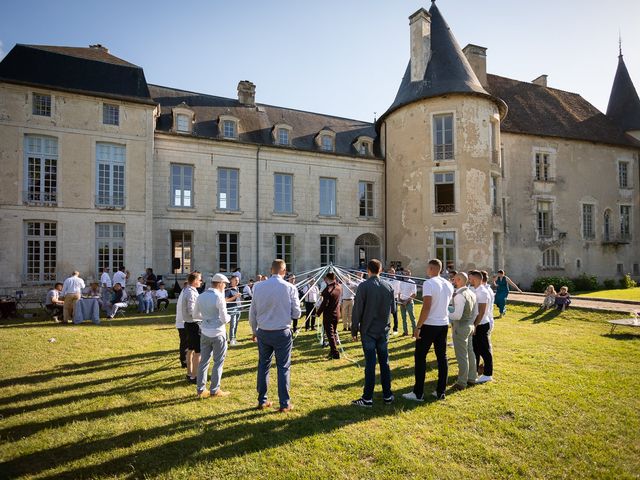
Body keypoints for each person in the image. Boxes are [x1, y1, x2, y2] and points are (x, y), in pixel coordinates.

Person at [249, 259, 301, 412]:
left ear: (271, 270)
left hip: (263, 331)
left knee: (263, 365)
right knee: (283, 367)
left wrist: (254, 330)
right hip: (281, 332)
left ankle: (262, 400)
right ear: (284, 271)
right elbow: (297, 313)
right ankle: (284, 404)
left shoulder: (258, 287)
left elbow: (253, 312)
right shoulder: (290, 287)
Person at [403, 259, 453, 402]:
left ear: (431, 268)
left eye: (427, 267)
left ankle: (418, 393)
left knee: (420, 357)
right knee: (442, 357)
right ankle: (440, 391)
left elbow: (426, 306)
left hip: (430, 324)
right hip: (443, 323)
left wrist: (418, 326)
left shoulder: (429, 283)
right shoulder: (448, 284)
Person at [350, 259, 396, 407]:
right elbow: (393, 309)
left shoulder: (364, 286)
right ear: (380, 270)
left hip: (369, 330)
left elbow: (357, 310)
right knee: (384, 363)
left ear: (368, 270)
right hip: (383, 330)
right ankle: (387, 395)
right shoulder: (388, 286)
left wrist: (354, 329)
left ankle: (368, 398)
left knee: (370, 364)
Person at [194, 274, 232, 399]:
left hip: (205, 333)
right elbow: (225, 319)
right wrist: (230, 317)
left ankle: (200, 389)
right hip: (218, 333)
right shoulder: (219, 297)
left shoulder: (201, 296)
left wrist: (207, 318)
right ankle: (214, 390)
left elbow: (195, 315)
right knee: (218, 363)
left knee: (203, 362)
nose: (225, 286)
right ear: (220, 283)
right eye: (224, 284)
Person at [448, 272, 477, 390]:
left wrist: (447, 312)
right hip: (470, 325)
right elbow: (475, 313)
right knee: (470, 352)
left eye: (455, 279)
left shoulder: (460, 295)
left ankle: (462, 382)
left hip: (460, 326)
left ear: (459, 280)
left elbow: (457, 315)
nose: (453, 281)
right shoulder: (472, 293)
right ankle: (471, 377)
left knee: (461, 355)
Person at [470, 270, 494, 383]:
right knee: (475, 350)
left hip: (481, 324)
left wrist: (474, 325)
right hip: (476, 324)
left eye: (471, 279)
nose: (469, 281)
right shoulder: (475, 290)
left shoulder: (483, 292)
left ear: (476, 279)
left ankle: (488, 374)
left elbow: (482, 312)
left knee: (485, 350)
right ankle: (473, 371)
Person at [317, 272, 342, 360]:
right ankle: (332, 351)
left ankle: (335, 353)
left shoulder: (328, 290)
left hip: (329, 315)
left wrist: (318, 313)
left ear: (327, 279)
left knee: (330, 334)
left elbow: (325, 303)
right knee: (333, 333)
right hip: (337, 314)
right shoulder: (339, 287)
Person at [183, 272, 203, 384]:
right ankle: (194, 376)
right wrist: (204, 316)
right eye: (200, 280)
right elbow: (192, 311)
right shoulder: (191, 292)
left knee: (190, 349)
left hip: (189, 323)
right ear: (195, 280)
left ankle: (190, 373)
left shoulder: (188, 290)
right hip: (194, 324)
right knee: (197, 351)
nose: (201, 282)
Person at [399, 269, 417, 336]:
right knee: (404, 318)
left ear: (410, 274)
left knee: (412, 318)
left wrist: (406, 301)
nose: (405, 275)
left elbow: (414, 294)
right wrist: (399, 300)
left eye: (407, 274)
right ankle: (405, 332)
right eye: (404, 274)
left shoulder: (412, 282)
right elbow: (399, 292)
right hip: (402, 302)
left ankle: (414, 333)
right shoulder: (401, 282)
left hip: (409, 302)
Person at [225, 275, 242, 345]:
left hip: (238, 309)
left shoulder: (237, 288)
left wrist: (240, 305)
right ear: (231, 281)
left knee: (236, 324)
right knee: (233, 325)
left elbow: (238, 299)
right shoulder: (229, 290)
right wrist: (235, 296)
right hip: (232, 309)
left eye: (238, 280)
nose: (237, 281)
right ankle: (231, 340)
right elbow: (225, 300)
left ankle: (234, 338)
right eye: (235, 280)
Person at [175, 282, 188, 369]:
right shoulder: (185, 293)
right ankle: (184, 361)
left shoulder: (184, 292)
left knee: (184, 343)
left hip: (182, 322)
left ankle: (184, 360)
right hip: (183, 323)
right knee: (185, 343)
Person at [386, 267, 400, 335]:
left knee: (395, 314)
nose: (391, 273)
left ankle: (395, 329)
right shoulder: (386, 280)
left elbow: (397, 291)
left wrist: (392, 294)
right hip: (387, 299)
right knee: (387, 314)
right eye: (390, 272)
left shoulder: (397, 281)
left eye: (392, 272)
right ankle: (387, 328)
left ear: (394, 273)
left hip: (394, 298)